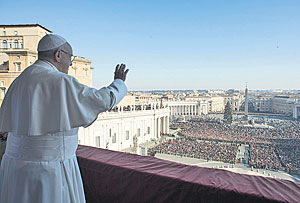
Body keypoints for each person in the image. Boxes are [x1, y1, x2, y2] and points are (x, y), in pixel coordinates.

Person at [0, 34, 129, 203]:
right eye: (70, 57)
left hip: (14, 168)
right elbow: (100, 100)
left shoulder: (19, 80)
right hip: (48, 170)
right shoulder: (59, 80)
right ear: (58, 54)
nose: (70, 63)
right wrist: (118, 83)